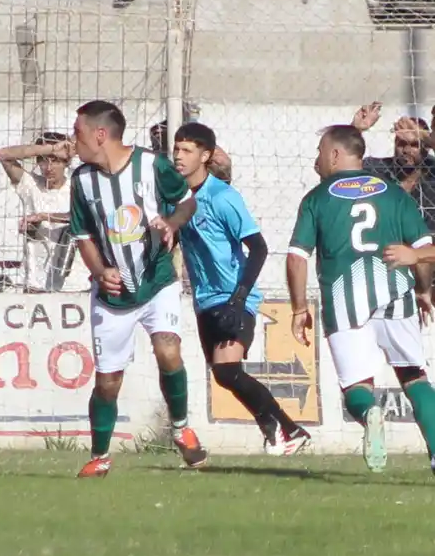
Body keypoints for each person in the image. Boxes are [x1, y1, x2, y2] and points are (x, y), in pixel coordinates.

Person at [68, 99, 207, 478]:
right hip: (114, 295)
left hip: (157, 278)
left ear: (100, 135)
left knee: (168, 348)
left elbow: (187, 202)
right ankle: (100, 456)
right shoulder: (81, 181)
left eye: (77, 132)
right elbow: (82, 236)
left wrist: (171, 223)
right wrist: (99, 271)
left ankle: (180, 430)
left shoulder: (152, 165)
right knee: (109, 381)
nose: (73, 139)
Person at [288, 124, 435, 474]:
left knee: (357, 386)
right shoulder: (396, 194)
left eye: (320, 152)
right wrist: (423, 285)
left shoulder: (317, 198)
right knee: (414, 376)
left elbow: (297, 256)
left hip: (343, 298)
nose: (316, 160)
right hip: (396, 293)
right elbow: (424, 250)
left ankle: (369, 412)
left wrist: (298, 308)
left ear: (336, 155)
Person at [172, 122, 310, 455]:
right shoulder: (174, 198)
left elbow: (259, 247)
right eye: (176, 148)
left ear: (205, 156)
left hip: (234, 297)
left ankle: (283, 429)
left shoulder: (222, 197)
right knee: (223, 375)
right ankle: (287, 429)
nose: (178, 155)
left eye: (187, 150)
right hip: (205, 300)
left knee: (227, 370)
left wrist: (239, 298)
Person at [0, 131, 80, 293]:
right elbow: (3, 154)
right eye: (43, 161)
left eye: (55, 161)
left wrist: (44, 217)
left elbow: (85, 216)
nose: (49, 168)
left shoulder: (77, 184)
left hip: (72, 283)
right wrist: (51, 149)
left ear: (66, 162)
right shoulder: (31, 185)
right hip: (36, 282)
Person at [348, 102, 435, 230]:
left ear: (426, 148)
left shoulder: (432, 173)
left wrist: (423, 135)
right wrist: (356, 130)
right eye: (401, 143)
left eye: (414, 144)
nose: (406, 150)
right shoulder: (376, 168)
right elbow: (342, 169)